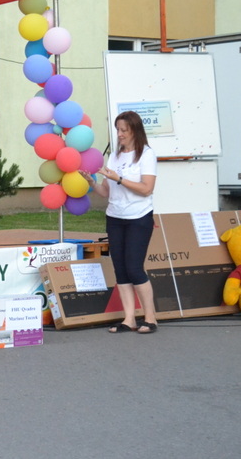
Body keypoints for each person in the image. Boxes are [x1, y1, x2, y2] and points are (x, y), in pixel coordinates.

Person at [82, 110, 158, 334]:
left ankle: (150, 318)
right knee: (121, 269)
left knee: (135, 268)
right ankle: (129, 319)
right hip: (115, 217)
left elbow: (147, 189)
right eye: (118, 130)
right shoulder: (114, 156)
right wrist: (92, 183)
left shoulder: (146, 155)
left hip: (139, 217)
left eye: (124, 130)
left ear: (135, 130)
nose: (120, 134)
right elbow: (106, 192)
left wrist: (120, 179)